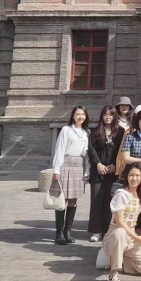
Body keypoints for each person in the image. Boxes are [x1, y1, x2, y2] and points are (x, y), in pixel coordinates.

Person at [102, 163, 141, 281]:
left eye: (137, 175)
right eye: (131, 175)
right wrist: (138, 238)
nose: (134, 178)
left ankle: (117, 259)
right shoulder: (121, 194)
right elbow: (120, 222)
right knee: (120, 232)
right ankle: (113, 273)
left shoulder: (140, 195)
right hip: (115, 235)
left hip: (131, 240)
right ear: (126, 176)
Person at [51, 105, 89, 245]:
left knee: (73, 200)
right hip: (66, 164)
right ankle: (59, 233)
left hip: (79, 166)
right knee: (62, 200)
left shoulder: (86, 132)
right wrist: (56, 170)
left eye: (83, 114)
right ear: (73, 116)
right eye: (78, 114)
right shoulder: (66, 130)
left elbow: (86, 153)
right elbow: (59, 149)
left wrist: (87, 170)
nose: (80, 117)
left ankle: (68, 231)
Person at [88, 105, 124, 242]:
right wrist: (98, 164)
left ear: (115, 116)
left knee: (110, 200)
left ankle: (108, 229)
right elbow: (91, 149)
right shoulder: (95, 132)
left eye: (111, 114)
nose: (108, 117)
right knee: (96, 200)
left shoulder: (120, 132)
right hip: (98, 171)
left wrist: (115, 165)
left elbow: (121, 150)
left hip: (112, 171)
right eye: (105, 114)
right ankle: (97, 231)